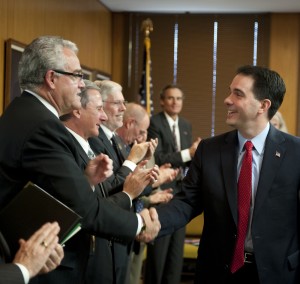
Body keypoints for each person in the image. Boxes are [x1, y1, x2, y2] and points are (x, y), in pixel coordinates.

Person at [0, 36, 160, 283]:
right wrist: (138, 224)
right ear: (51, 78)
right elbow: (85, 209)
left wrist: (83, 179)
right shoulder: (43, 126)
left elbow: (47, 192)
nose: (82, 85)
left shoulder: (21, 111)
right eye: (76, 76)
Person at [155, 65, 300, 284]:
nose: (227, 100)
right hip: (217, 272)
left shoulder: (295, 152)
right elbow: (186, 202)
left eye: (238, 94)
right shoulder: (209, 150)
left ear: (263, 105)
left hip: (278, 273)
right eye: (230, 91)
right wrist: (153, 222)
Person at [61, 79, 158, 284]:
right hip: (86, 253)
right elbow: (91, 206)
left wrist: (141, 176)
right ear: (78, 111)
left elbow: (103, 193)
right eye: (99, 109)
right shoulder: (74, 145)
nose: (104, 116)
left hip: (110, 241)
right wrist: (131, 171)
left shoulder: (96, 142)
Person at [144, 84, 201, 284]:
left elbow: (186, 159)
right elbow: (158, 157)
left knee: (175, 254)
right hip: (160, 190)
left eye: (178, 98)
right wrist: (189, 153)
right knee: (159, 253)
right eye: (170, 98)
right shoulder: (153, 123)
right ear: (162, 101)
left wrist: (196, 154)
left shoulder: (185, 125)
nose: (175, 102)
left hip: (181, 192)